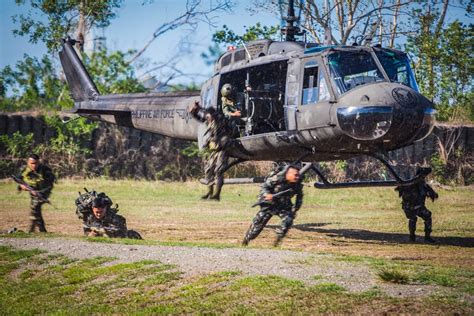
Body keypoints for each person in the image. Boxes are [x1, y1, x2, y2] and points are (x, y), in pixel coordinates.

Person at [242, 165, 303, 247]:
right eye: (295, 175)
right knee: (256, 227)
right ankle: (246, 240)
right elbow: (265, 186)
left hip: (284, 206)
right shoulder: (277, 178)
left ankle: (276, 243)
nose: (297, 177)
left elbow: (299, 197)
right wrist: (267, 194)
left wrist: (294, 210)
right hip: (270, 204)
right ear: (288, 174)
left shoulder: (297, 184)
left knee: (288, 221)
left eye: (298, 175)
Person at [189, 101, 232, 201]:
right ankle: (209, 192)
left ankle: (217, 195)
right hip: (214, 149)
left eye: (209, 116)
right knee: (208, 170)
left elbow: (211, 114)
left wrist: (200, 108)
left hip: (222, 149)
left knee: (219, 170)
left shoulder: (219, 119)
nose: (208, 118)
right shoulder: (209, 120)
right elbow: (199, 118)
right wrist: (194, 111)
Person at [75, 189, 142, 239]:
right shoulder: (89, 216)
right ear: (92, 209)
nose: (98, 214)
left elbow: (120, 234)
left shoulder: (114, 218)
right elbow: (87, 231)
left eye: (101, 212)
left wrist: (101, 231)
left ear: (105, 209)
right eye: (97, 212)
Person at [395, 167, 438, 243]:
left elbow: (433, 195)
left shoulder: (422, 184)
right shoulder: (410, 183)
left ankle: (418, 237)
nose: (423, 178)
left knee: (420, 217)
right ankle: (418, 237)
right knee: (419, 217)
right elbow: (399, 189)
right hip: (410, 207)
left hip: (415, 207)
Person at [18, 154, 55, 233]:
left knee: (35, 207)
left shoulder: (45, 170)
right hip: (32, 191)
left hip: (44, 191)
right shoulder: (24, 169)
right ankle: (42, 230)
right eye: (32, 163)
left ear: (39, 162)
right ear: (28, 163)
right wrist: (22, 186)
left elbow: (51, 182)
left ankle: (30, 229)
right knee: (36, 209)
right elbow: (18, 179)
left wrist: (42, 193)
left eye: (36, 163)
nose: (34, 165)